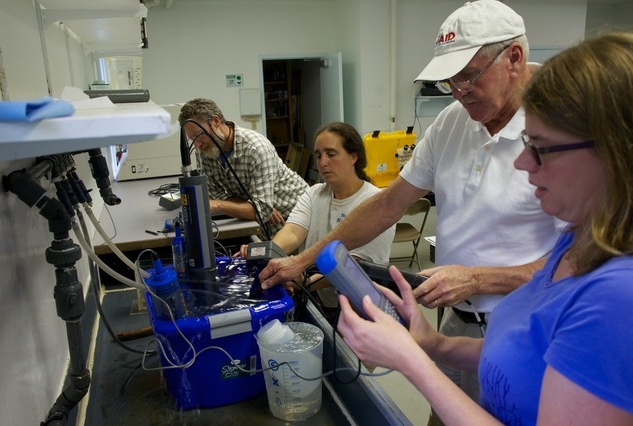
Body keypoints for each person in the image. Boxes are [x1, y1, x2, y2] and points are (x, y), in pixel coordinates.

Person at [259, 0, 563, 405]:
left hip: (528, 327)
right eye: (449, 81)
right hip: (456, 321)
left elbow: (579, 262)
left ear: (514, 57)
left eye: (469, 76)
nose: (458, 92)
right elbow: (388, 206)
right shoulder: (453, 122)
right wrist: (302, 261)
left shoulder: (562, 131)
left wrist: (478, 279)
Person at [336, 31, 633, 425]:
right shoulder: (578, 244)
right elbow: (521, 354)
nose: (524, 165)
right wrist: (432, 342)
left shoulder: (617, 297)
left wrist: (410, 361)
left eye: (542, 148)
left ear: (613, 152)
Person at [237, 122, 395, 294]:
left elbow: (354, 265)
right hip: (314, 298)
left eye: (331, 154)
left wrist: (305, 282)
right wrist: (264, 253)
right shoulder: (314, 193)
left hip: (355, 305)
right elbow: (293, 233)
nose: (323, 162)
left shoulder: (375, 203)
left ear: (353, 157)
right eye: (319, 156)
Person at [178, 98, 309, 237]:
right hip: (260, 223)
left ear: (216, 122)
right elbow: (215, 193)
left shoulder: (256, 149)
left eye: (199, 135)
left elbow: (261, 211)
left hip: (294, 218)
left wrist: (218, 205)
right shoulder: (205, 150)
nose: (197, 144)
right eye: (192, 139)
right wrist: (251, 206)